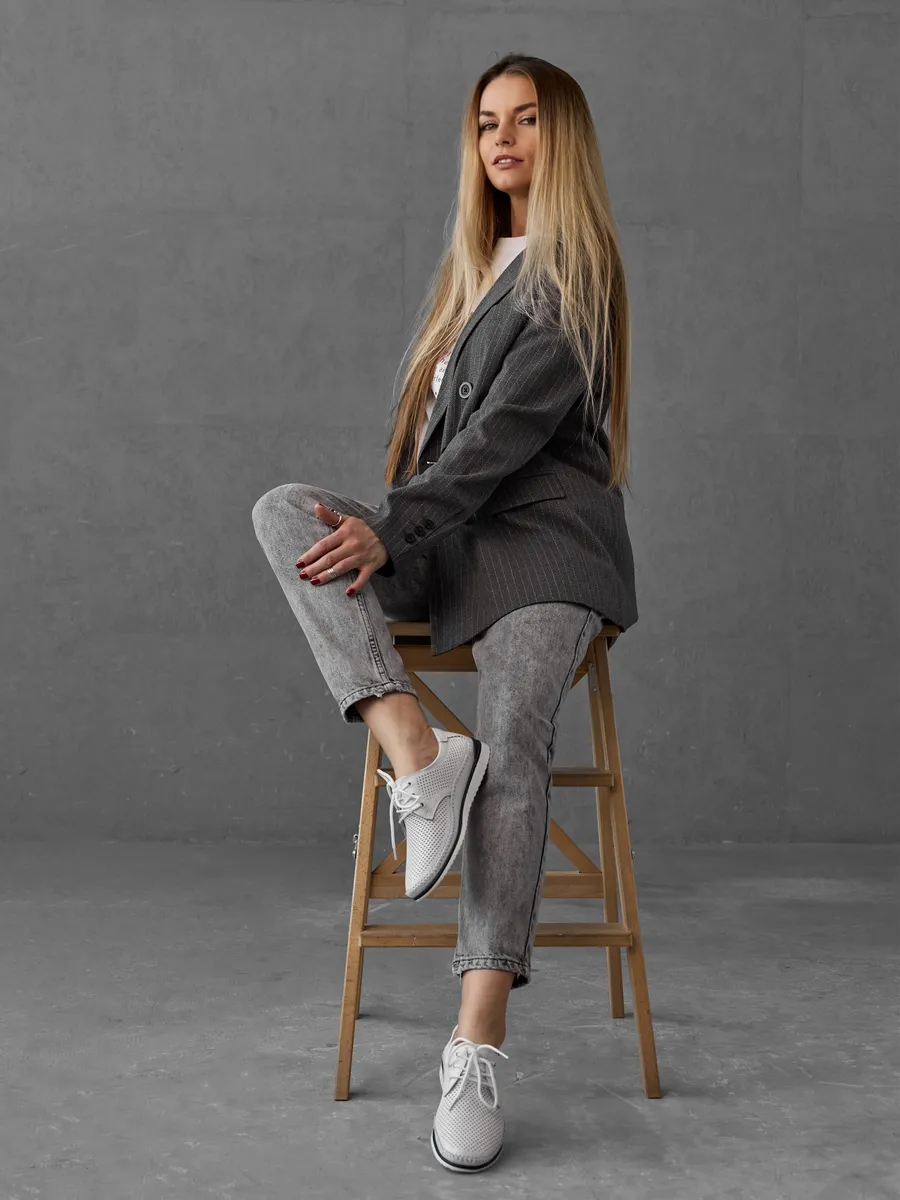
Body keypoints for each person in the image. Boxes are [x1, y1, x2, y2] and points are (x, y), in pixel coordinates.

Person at [252, 53, 638, 1174]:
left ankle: (476, 1043)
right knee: (285, 513)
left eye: (526, 120)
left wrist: (395, 526)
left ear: (564, 137)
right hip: (449, 540)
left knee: (515, 735)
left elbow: (503, 440)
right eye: (486, 123)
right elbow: (430, 451)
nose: (502, 139)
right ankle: (419, 755)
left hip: (544, 548)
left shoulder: (577, 271)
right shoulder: (471, 272)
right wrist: (394, 528)